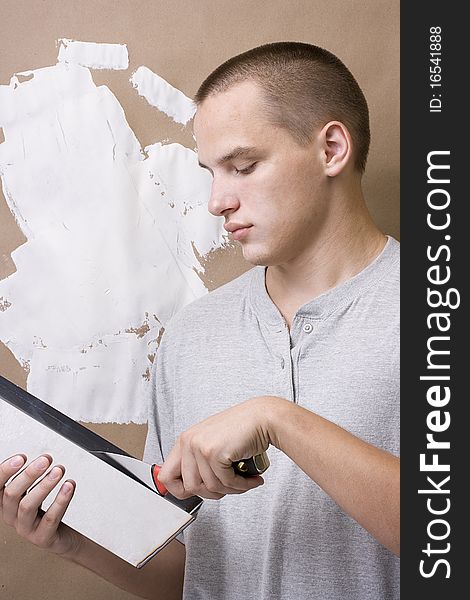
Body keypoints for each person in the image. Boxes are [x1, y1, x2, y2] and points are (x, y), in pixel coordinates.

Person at [0, 42, 399, 599]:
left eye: (243, 166)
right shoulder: (191, 336)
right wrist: (73, 540)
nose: (216, 201)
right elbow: (197, 574)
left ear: (330, 148)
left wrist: (277, 420)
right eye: (211, 173)